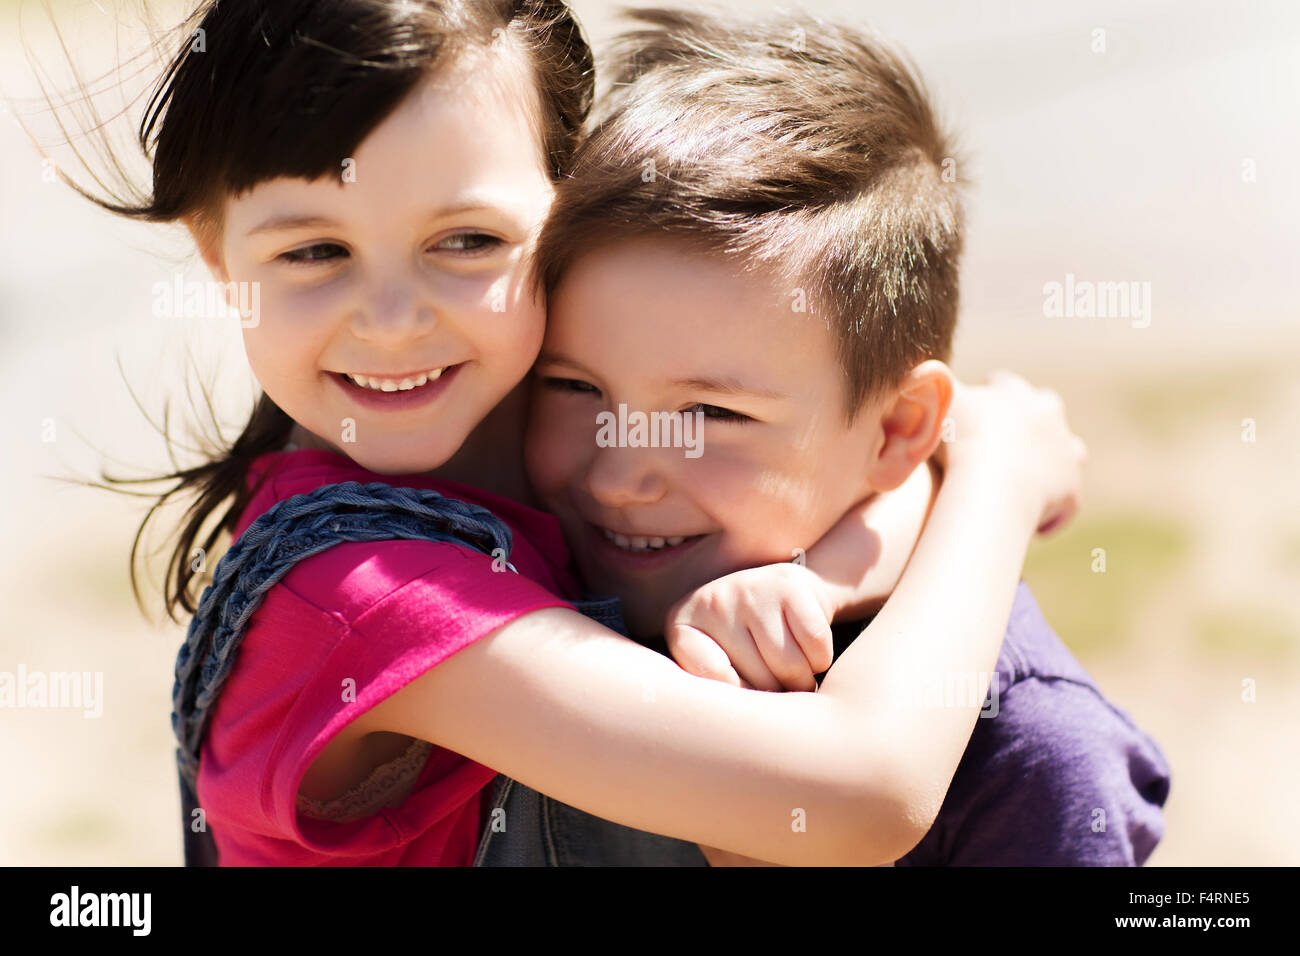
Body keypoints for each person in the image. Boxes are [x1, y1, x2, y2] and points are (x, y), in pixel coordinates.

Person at [45, 0, 1084, 865]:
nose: (395, 317)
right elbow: (865, 790)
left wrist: (821, 572)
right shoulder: (361, 598)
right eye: (315, 251)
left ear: (568, 203)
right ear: (217, 253)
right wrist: (995, 473)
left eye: (466, 239)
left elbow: (861, 461)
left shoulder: (552, 440)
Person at [508, 8, 1169, 865]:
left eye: (710, 414)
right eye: (571, 386)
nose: (618, 475)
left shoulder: (1027, 753)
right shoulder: (517, 562)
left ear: (898, 430)